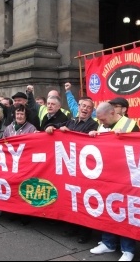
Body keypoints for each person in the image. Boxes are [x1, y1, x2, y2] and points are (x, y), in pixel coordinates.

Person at [89, 102, 139, 261]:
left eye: (103, 119)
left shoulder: (130, 125)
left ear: (112, 113)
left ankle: (128, 249)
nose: (101, 123)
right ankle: (108, 243)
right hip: (105, 174)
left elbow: (138, 149)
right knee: (106, 209)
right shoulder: (102, 124)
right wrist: (94, 136)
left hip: (124, 177)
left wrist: (125, 137)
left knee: (124, 212)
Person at [45, 98, 98, 244]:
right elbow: (55, 125)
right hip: (70, 168)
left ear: (92, 110)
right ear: (78, 107)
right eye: (83, 105)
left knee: (83, 201)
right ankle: (72, 227)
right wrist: (52, 127)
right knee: (71, 198)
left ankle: (85, 232)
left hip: (83, 168)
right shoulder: (71, 121)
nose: (85, 108)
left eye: (88, 107)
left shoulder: (93, 124)